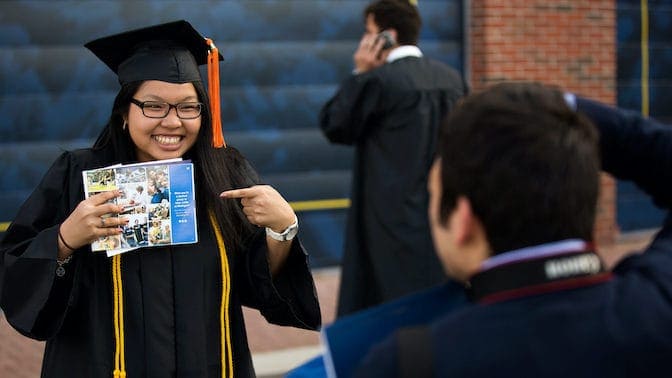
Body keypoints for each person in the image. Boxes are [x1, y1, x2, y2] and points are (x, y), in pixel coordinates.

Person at [0, 20, 320, 377]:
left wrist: (282, 230)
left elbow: (256, 282)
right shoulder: (77, 175)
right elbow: (14, 272)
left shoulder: (224, 174)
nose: (172, 122)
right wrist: (63, 240)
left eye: (188, 107)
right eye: (153, 106)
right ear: (124, 112)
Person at [355, 82, 672, 377]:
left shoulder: (406, 363)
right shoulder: (657, 310)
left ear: (463, 220)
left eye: (433, 196)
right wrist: (563, 111)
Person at [319, 0, 467, 317]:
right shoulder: (452, 80)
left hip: (389, 221)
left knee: (393, 310)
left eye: (369, 32)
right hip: (440, 215)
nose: (364, 40)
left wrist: (359, 71)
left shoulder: (379, 82)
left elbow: (335, 124)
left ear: (387, 36)